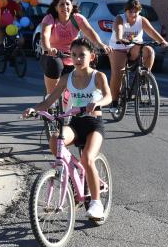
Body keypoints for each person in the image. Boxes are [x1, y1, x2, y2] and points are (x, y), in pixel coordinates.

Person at [22, 37, 112, 219]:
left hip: (94, 124)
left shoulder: (98, 76)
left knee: (87, 158)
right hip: (75, 123)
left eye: (82, 55)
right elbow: (49, 101)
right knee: (55, 140)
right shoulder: (67, 78)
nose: (78, 59)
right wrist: (34, 109)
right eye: (74, 55)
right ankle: (73, 178)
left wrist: (97, 102)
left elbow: (109, 97)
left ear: (92, 57)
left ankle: (96, 203)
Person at [40, 0, 111, 98]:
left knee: (87, 67)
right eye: (61, 4)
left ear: (72, 6)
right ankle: (51, 98)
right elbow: (44, 36)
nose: (65, 7)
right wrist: (48, 48)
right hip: (53, 55)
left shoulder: (77, 19)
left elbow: (90, 32)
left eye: (67, 4)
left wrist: (100, 44)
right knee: (55, 63)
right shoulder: (49, 19)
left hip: (72, 56)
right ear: (56, 8)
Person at [107, 0, 168, 109]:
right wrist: (120, 38)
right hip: (118, 47)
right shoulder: (120, 18)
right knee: (118, 75)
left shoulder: (141, 20)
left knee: (149, 50)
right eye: (130, 11)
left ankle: (144, 78)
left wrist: (162, 41)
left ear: (139, 11)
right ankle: (114, 102)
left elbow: (152, 32)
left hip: (134, 47)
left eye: (136, 11)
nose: (133, 14)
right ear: (126, 11)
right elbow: (119, 29)